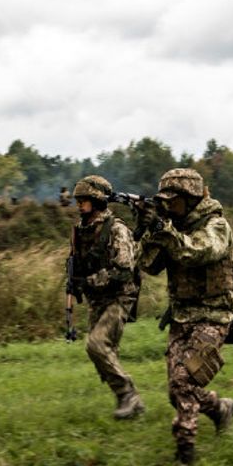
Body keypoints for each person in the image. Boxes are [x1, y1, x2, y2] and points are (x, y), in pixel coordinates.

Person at [138, 168, 233, 466]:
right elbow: (149, 265)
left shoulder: (217, 226)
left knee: (184, 382)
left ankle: (185, 453)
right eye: (164, 202)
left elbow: (196, 252)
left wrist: (166, 231)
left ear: (192, 199)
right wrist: (150, 230)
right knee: (178, 390)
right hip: (181, 318)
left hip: (215, 318)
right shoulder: (173, 228)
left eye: (174, 201)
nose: (169, 206)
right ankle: (221, 408)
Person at [68, 175, 144, 420]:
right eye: (78, 201)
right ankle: (129, 402)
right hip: (97, 298)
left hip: (119, 296)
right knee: (102, 353)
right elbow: (76, 260)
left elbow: (123, 271)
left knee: (97, 345)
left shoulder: (117, 229)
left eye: (85, 200)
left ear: (98, 200)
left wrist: (89, 281)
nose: (80, 205)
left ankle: (128, 395)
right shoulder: (81, 230)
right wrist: (73, 280)